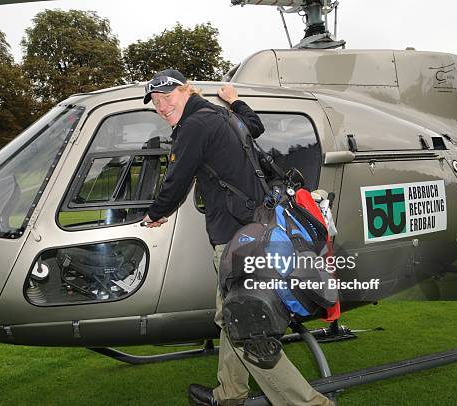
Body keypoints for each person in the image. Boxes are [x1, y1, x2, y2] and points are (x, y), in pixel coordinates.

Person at [141, 69, 332, 406]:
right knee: (234, 315)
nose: (161, 106)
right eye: (155, 101)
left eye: (167, 97)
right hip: (258, 228)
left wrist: (156, 213)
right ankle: (229, 394)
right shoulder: (223, 115)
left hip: (235, 238)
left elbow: (177, 177)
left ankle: (309, 403)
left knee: (244, 321)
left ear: (186, 91)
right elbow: (254, 127)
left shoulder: (194, 126)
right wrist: (235, 100)